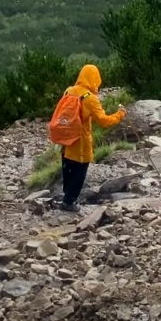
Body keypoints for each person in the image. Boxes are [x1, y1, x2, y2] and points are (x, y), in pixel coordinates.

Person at [59, 64, 126, 211]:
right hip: (81, 142)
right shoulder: (89, 99)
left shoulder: (69, 90)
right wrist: (120, 114)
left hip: (67, 139)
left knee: (68, 168)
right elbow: (104, 121)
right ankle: (69, 202)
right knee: (80, 172)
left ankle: (66, 197)